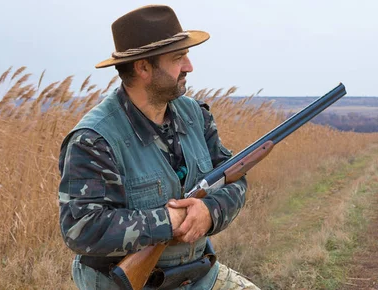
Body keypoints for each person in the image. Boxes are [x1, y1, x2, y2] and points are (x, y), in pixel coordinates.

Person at [57, 5, 259, 290]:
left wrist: (208, 211)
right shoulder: (94, 139)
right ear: (143, 68)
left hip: (198, 275)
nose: (189, 66)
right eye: (179, 58)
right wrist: (168, 221)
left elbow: (234, 178)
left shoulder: (195, 115)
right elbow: (82, 229)